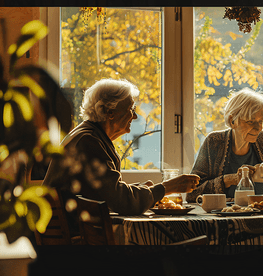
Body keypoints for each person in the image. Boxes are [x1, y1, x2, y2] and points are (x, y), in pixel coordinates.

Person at [43, 78, 200, 221]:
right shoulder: (89, 141)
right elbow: (121, 201)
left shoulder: (88, 135)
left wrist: (146, 190)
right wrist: (167, 188)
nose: (135, 116)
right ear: (109, 112)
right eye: (131, 109)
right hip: (74, 243)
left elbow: (108, 192)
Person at [186, 87, 263, 202]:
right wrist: (229, 180)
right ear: (233, 121)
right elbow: (192, 193)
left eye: (261, 121)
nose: (258, 128)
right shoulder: (214, 141)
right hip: (226, 219)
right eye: (250, 122)